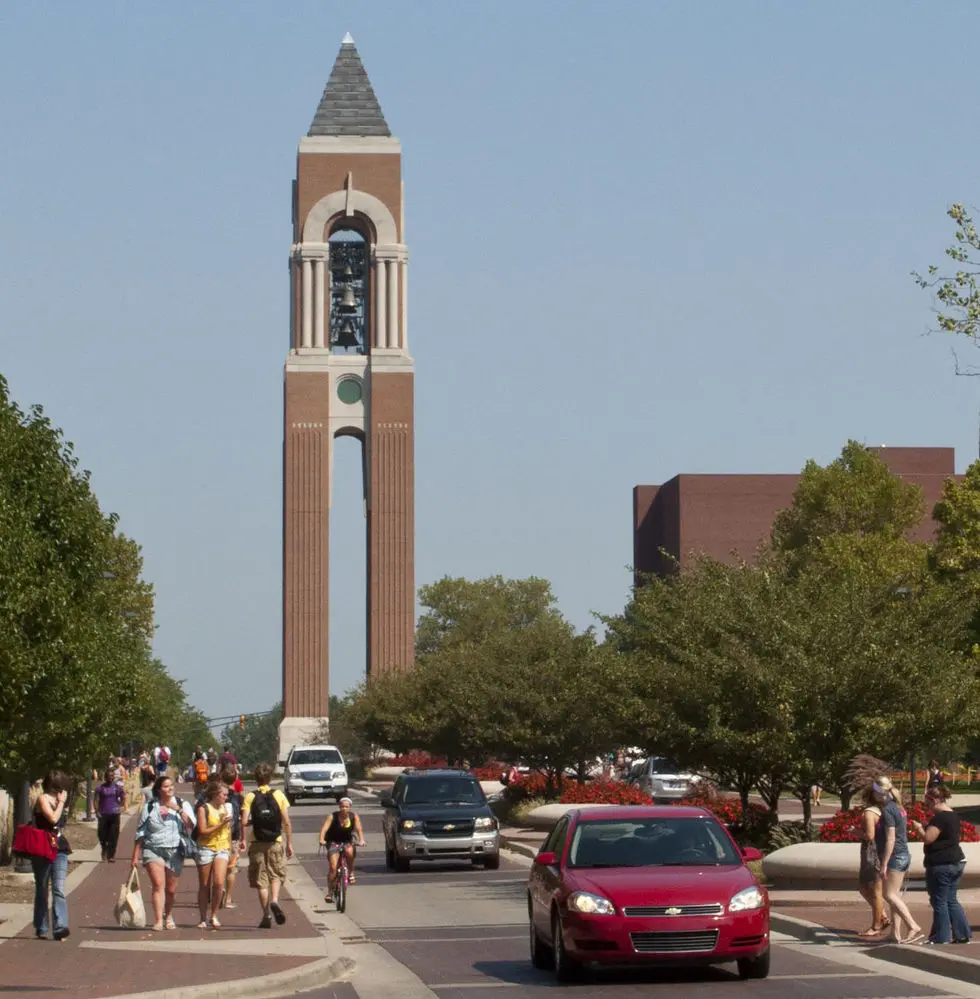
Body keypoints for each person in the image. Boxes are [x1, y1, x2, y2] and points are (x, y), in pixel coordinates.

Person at [131, 774, 196, 931]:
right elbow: (140, 832)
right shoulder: (149, 807)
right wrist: (135, 856)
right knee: (158, 885)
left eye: (171, 785)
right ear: (159, 789)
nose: (170, 788)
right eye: (166, 786)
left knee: (171, 890)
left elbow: (191, 825)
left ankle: (169, 915)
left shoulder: (182, 803)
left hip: (175, 850)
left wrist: (178, 810)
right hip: (153, 849)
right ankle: (159, 919)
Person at [911, 784, 972, 945]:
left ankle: (941, 936)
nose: (927, 806)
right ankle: (962, 933)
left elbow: (928, 838)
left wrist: (919, 828)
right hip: (956, 860)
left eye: (928, 803)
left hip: (941, 863)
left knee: (939, 901)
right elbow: (943, 835)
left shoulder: (940, 818)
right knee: (951, 899)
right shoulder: (952, 815)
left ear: (935, 800)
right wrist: (927, 826)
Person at [240, 762, 293, 929]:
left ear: (255, 778)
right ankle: (275, 900)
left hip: (257, 842)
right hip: (275, 841)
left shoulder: (250, 796)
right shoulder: (278, 795)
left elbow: (243, 821)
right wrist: (289, 842)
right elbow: (286, 821)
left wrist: (243, 840)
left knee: (261, 881)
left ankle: (266, 915)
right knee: (276, 874)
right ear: (270, 777)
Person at [875, 777, 924, 944]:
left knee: (888, 894)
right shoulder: (898, 807)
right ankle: (895, 934)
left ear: (879, 792)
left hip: (895, 856)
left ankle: (913, 925)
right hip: (903, 855)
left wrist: (883, 864)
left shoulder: (888, 810)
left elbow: (890, 839)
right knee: (894, 895)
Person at [31, 771, 73, 941]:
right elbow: (53, 819)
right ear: (56, 786)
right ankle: (41, 926)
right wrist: (61, 803)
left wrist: (63, 803)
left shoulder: (60, 800)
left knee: (59, 889)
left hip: (59, 848)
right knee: (42, 889)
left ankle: (60, 926)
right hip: (42, 848)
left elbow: (61, 824)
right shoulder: (43, 799)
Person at [195, 778, 233, 929]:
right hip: (206, 847)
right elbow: (202, 831)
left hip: (222, 847)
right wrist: (221, 824)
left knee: (218, 882)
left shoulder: (226, 808)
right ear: (215, 794)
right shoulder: (203, 808)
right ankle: (202, 918)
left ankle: (214, 914)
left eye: (227, 795)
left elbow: (228, 830)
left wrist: (230, 848)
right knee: (204, 885)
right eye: (224, 794)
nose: (226, 797)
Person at [857, 784, 888, 937]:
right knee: (864, 888)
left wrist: (855, 831)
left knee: (874, 890)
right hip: (879, 851)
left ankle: (876, 925)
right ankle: (882, 915)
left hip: (871, 853)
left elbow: (869, 835)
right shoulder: (882, 811)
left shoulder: (869, 813)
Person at [319, 797, 366, 898]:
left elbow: (359, 829)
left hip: (347, 841)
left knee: (349, 852)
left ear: (350, 808)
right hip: (333, 842)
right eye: (342, 806)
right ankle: (330, 892)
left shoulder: (354, 817)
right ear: (339, 807)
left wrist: (361, 840)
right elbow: (324, 829)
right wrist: (322, 839)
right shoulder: (332, 816)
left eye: (346, 807)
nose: (344, 809)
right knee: (333, 868)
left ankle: (351, 872)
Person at [219, 764, 243, 910]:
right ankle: (228, 898)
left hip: (217, 836)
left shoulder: (217, 794)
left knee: (217, 866)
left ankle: (216, 892)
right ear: (236, 779)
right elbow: (242, 818)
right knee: (231, 868)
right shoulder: (237, 798)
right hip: (233, 836)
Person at [95, 767, 126, 862]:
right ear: (105, 777)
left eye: (112, 776)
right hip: (103, 814)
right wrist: (97, 811)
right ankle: (104, 849)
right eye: (108, 776)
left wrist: (121, 806)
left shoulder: (118, 788)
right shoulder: (100, 788)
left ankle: (111, 855)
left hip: (114, 814)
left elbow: (123, 797)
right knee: (102, 834)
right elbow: (96, 800)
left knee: (114, 835)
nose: (110, 778)